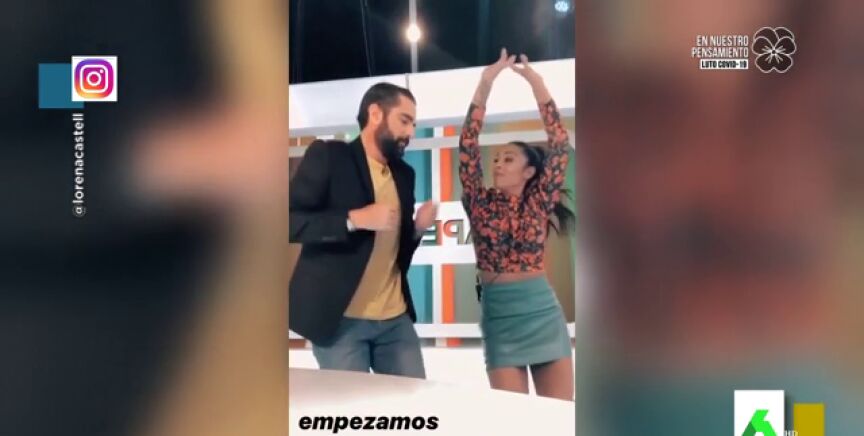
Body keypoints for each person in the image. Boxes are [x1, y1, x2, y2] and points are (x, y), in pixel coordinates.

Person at [289, 82, 438, 379]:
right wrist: (353, 219)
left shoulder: (405, 175)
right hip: (339, 321)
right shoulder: (330, 156)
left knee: (412, 403)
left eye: (413, 124)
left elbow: (398, 253)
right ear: (375, 113)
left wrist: (418, 229)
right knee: (353, 407)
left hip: (395, 319)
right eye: (404, 121)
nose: (410, 132)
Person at [459, 49, 575, 399]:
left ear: (529, 172)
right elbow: (468, 143)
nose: (498, 164)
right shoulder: (479, 201)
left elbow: (560, 143)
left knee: (559, 417)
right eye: (496, 158)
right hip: (500, 320)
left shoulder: (539, 201)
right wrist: (485, 84)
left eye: (508, 159)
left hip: (542, 314)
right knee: (513, 420)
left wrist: (536, 83)